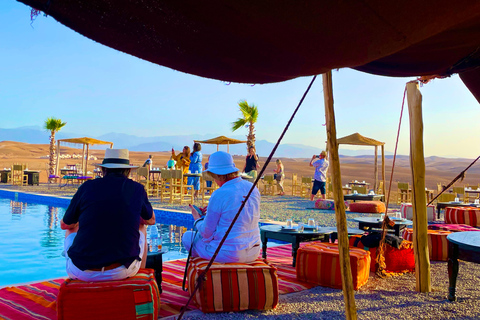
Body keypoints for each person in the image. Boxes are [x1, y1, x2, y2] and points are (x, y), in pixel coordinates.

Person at [60, 149, 156, 282]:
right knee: (142, 226)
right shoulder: (137, 189)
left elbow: (64, 224)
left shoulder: (86, 187)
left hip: (81, 271)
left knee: (71, 227)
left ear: (103, 170)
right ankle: (139, 281)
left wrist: (79, 222)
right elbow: (151, 220)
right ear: (128, 171)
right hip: (121, 270)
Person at [182, 151, 261, 263]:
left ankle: (206, 269)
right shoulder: (252, 187)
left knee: (187, 237)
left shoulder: (220, 193)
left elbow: (206, 232)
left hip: (228, 253)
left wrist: (197, 219)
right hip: (254, 252)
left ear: (216, 174)